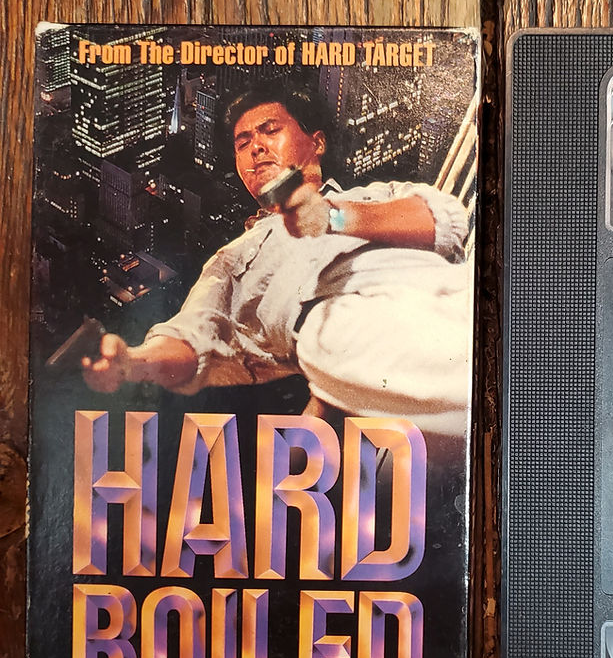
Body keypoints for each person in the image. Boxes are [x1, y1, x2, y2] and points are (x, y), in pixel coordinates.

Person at [82, 85, 472, 437]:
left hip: (453, 284)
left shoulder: (375, 195)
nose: (256, 147)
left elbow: (447, 222)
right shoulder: (232, 259)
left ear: (317, 142)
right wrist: (134, 363)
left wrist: (332, 218)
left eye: (270, 131)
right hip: (344, 323)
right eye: (243, 143)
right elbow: (191, 341)